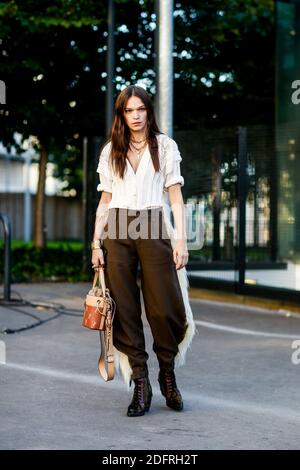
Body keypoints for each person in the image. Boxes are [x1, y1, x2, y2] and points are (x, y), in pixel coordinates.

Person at [91, 85, 195, 417]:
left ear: (149, 111)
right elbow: (105, 202)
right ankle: (140, 380)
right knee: (123, 308)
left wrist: (180, 241)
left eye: (141, 109)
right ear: (121, 114)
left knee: (164, 307)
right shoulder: (111, 150)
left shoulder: (165, 147)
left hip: (153, 224)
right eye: (129, 111)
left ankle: (167, 372)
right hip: (118, 228)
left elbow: (175, 198)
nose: (135, 116)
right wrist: (96, 243)